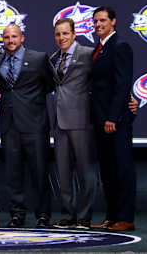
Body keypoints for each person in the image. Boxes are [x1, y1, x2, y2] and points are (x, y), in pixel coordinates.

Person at [0, 23, 55, 228]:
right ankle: (17, 214)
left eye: (14, 37)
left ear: (22, 38)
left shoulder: (38, 59)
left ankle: (43, 215)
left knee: (39, 172)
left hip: (35, 125)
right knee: (13, 173)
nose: (10, 41)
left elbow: (50, 85)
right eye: (6, 37)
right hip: (9, 125)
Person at [90, 6, 136, 232]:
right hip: (100, 121)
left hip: (114, 121)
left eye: (103, 21)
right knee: (107, 171)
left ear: (114, 21)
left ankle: (126, 217)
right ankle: (112, 216)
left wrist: (113, 118)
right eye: (96, 21)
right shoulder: (97, 49)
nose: (98, 25)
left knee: (123, 169)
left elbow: (122, 86)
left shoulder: (120, 46)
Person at [49, 18, 97, 229]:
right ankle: (69, 214)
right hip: (59, 123)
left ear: (74, 33)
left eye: (65, 33)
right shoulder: (53, 58)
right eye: (58, 34)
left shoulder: (88, 54)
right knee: (63, 172)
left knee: (86, 171)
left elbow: (105, 79)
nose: (62, 38)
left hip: (81, 121)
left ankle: (84, 217)